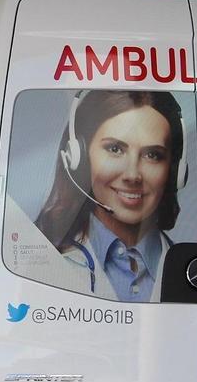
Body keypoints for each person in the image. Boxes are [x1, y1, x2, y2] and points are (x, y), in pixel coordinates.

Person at [35, 90, 185, 302]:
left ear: (174, 170)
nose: (133, 175)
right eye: (115, 149)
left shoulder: (196, 271)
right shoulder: (39, 262)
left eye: (153, 155)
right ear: (80, 158)